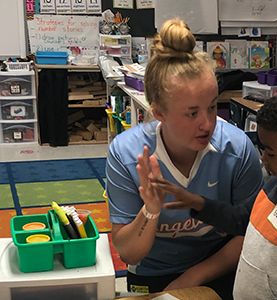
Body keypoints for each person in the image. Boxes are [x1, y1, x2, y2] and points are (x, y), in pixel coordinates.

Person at [106, 18, 263, 299]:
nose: (207, 123)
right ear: (159, 113)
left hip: (218, 266)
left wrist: (190, 280)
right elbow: (128, 253)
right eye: (192, 113)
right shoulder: (127, 154)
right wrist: (151, 209)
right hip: (153, 272)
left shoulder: (237, 150)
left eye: (213, 107)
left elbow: (248, 235)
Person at [151, 84, 277, 299]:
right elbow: (239, 219)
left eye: (271, 153)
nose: (263, 159)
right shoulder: (276, 185)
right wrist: (198, 203)